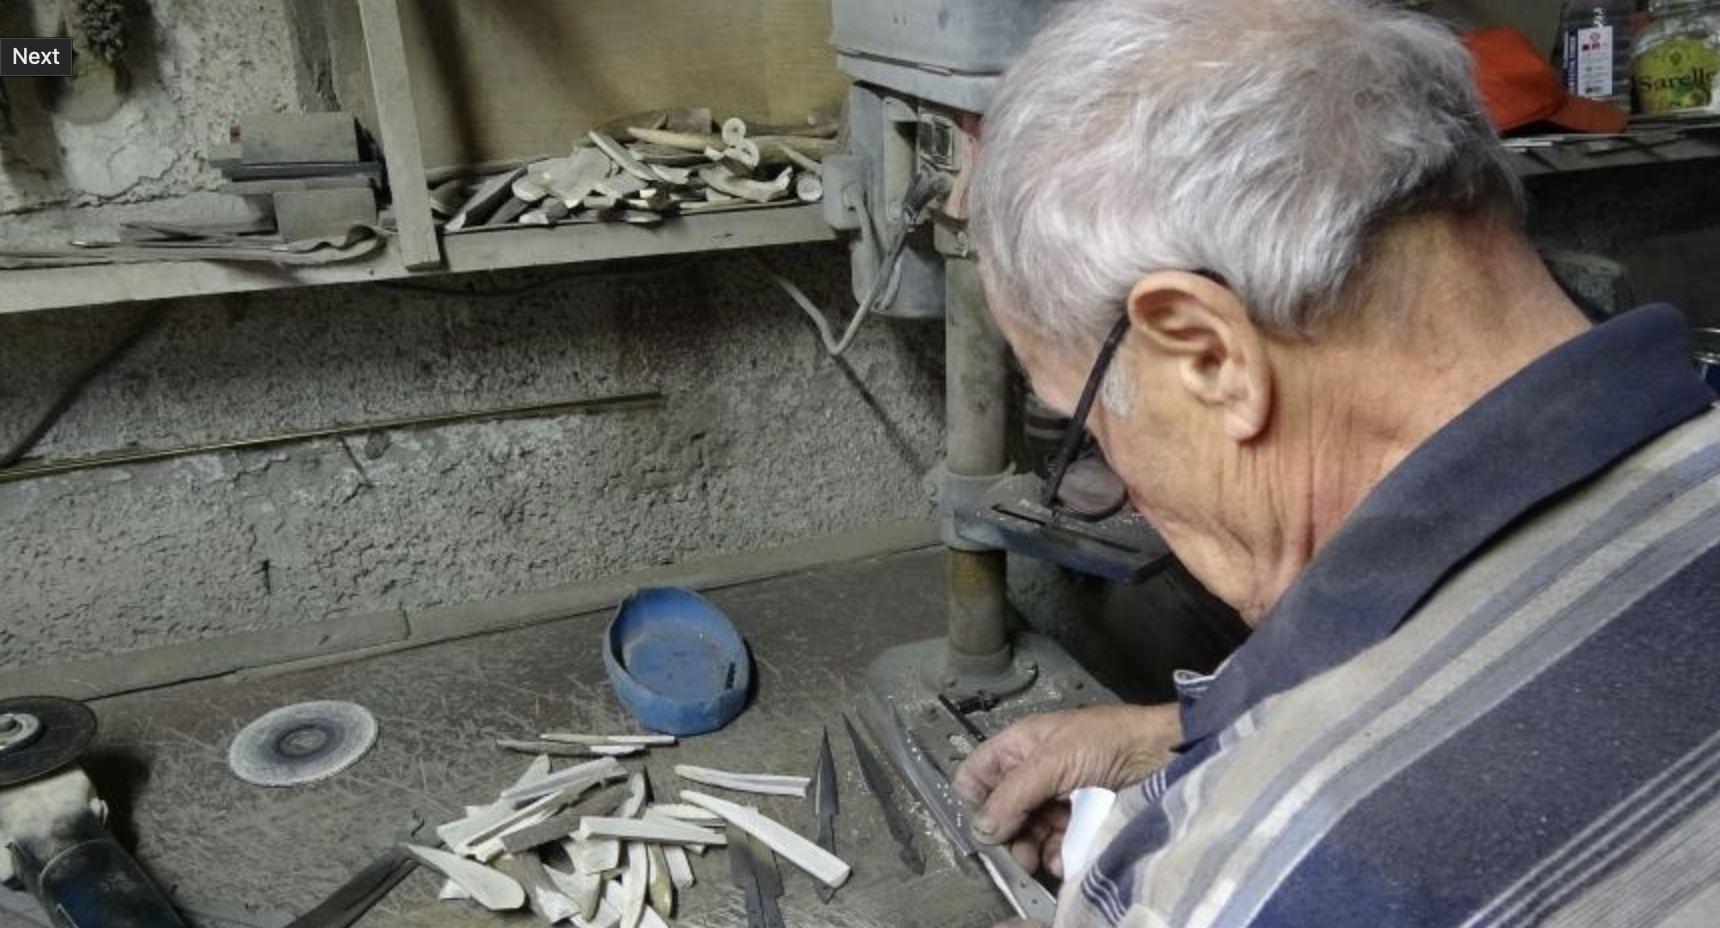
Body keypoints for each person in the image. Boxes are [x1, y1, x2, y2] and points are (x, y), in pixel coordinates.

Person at [958, 0, 1720, 926]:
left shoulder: (1252, 888)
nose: (1130, 493)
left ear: (1209, 357)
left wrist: (1229, 814)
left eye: (1088, 427)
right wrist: (1184, 735)